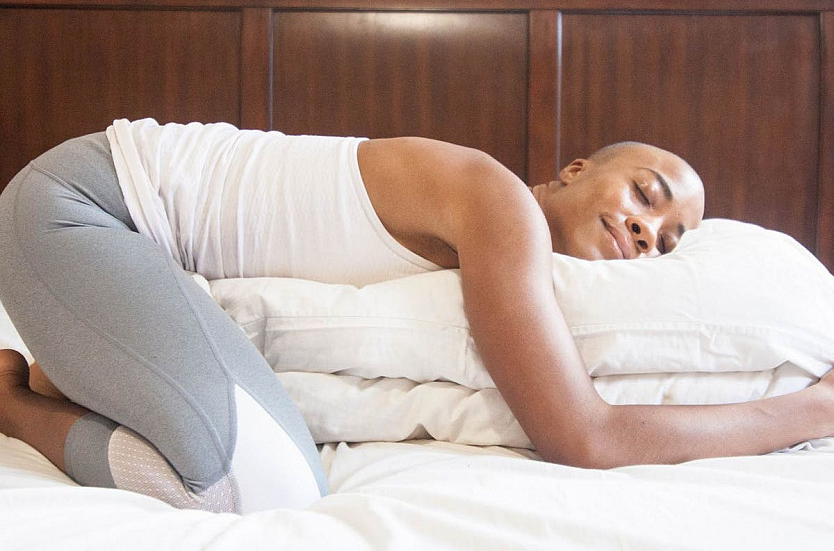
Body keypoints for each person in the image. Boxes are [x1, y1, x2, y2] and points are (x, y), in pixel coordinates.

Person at [0, 120, 832, 514]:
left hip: (128, 259)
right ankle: (12, 400)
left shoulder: (511, 247)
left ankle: (83, 367)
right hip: (79, 208)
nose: (648, 230)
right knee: (252, 489)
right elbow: (583, 436)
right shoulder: (498, 205)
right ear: (574, 170)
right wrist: (809, 409)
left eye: (667, 240)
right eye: (645, 195)